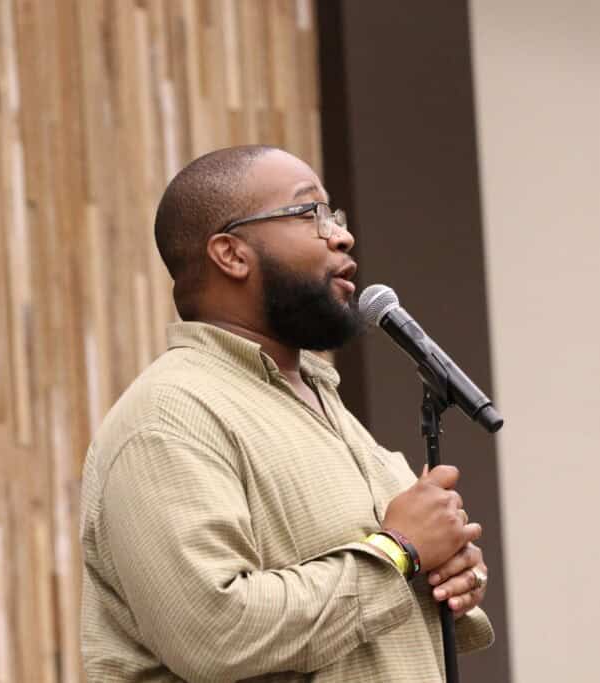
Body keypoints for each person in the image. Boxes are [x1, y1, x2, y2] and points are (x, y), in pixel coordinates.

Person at [79, 145, 493, 682]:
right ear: (231, 255)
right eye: (309, 213)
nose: (341, 236)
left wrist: (448, 575)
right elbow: (214, 633)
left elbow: (383, 589)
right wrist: (399, 552)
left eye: (335, 216)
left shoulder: (319, 398)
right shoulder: (169, 418)